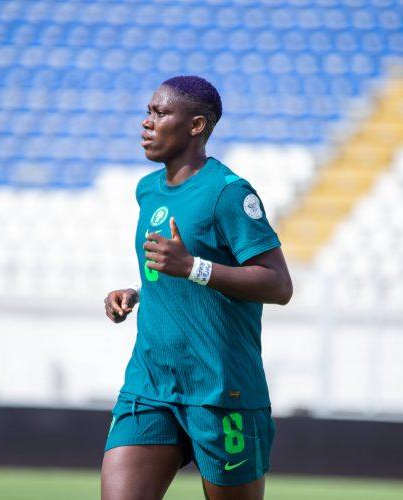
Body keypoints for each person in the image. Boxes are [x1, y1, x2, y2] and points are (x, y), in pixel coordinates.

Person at [101, 75, 293, 500]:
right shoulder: (148, 190)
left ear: (196, 125)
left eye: (160, 112)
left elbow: (279, 284)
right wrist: (136, 293)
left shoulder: (229, 193)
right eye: (148, 111)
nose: (147, 122)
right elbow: (171, 272)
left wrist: (193, 267)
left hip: (220, 390)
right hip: (151, 384)